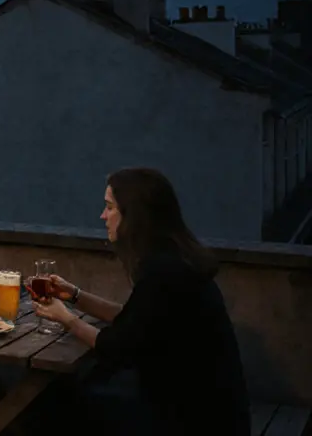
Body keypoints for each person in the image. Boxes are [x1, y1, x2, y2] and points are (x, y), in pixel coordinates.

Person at [32, 167, 249, 435]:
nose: (103, 216)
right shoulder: (173, 259)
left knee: (56, 398)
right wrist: (74, 295)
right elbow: (134, 319)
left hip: (193, 417)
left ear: (134, 216)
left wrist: (66, 318)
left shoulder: (164, 271)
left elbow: (116, 346)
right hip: (207, 405)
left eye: (109, 207)